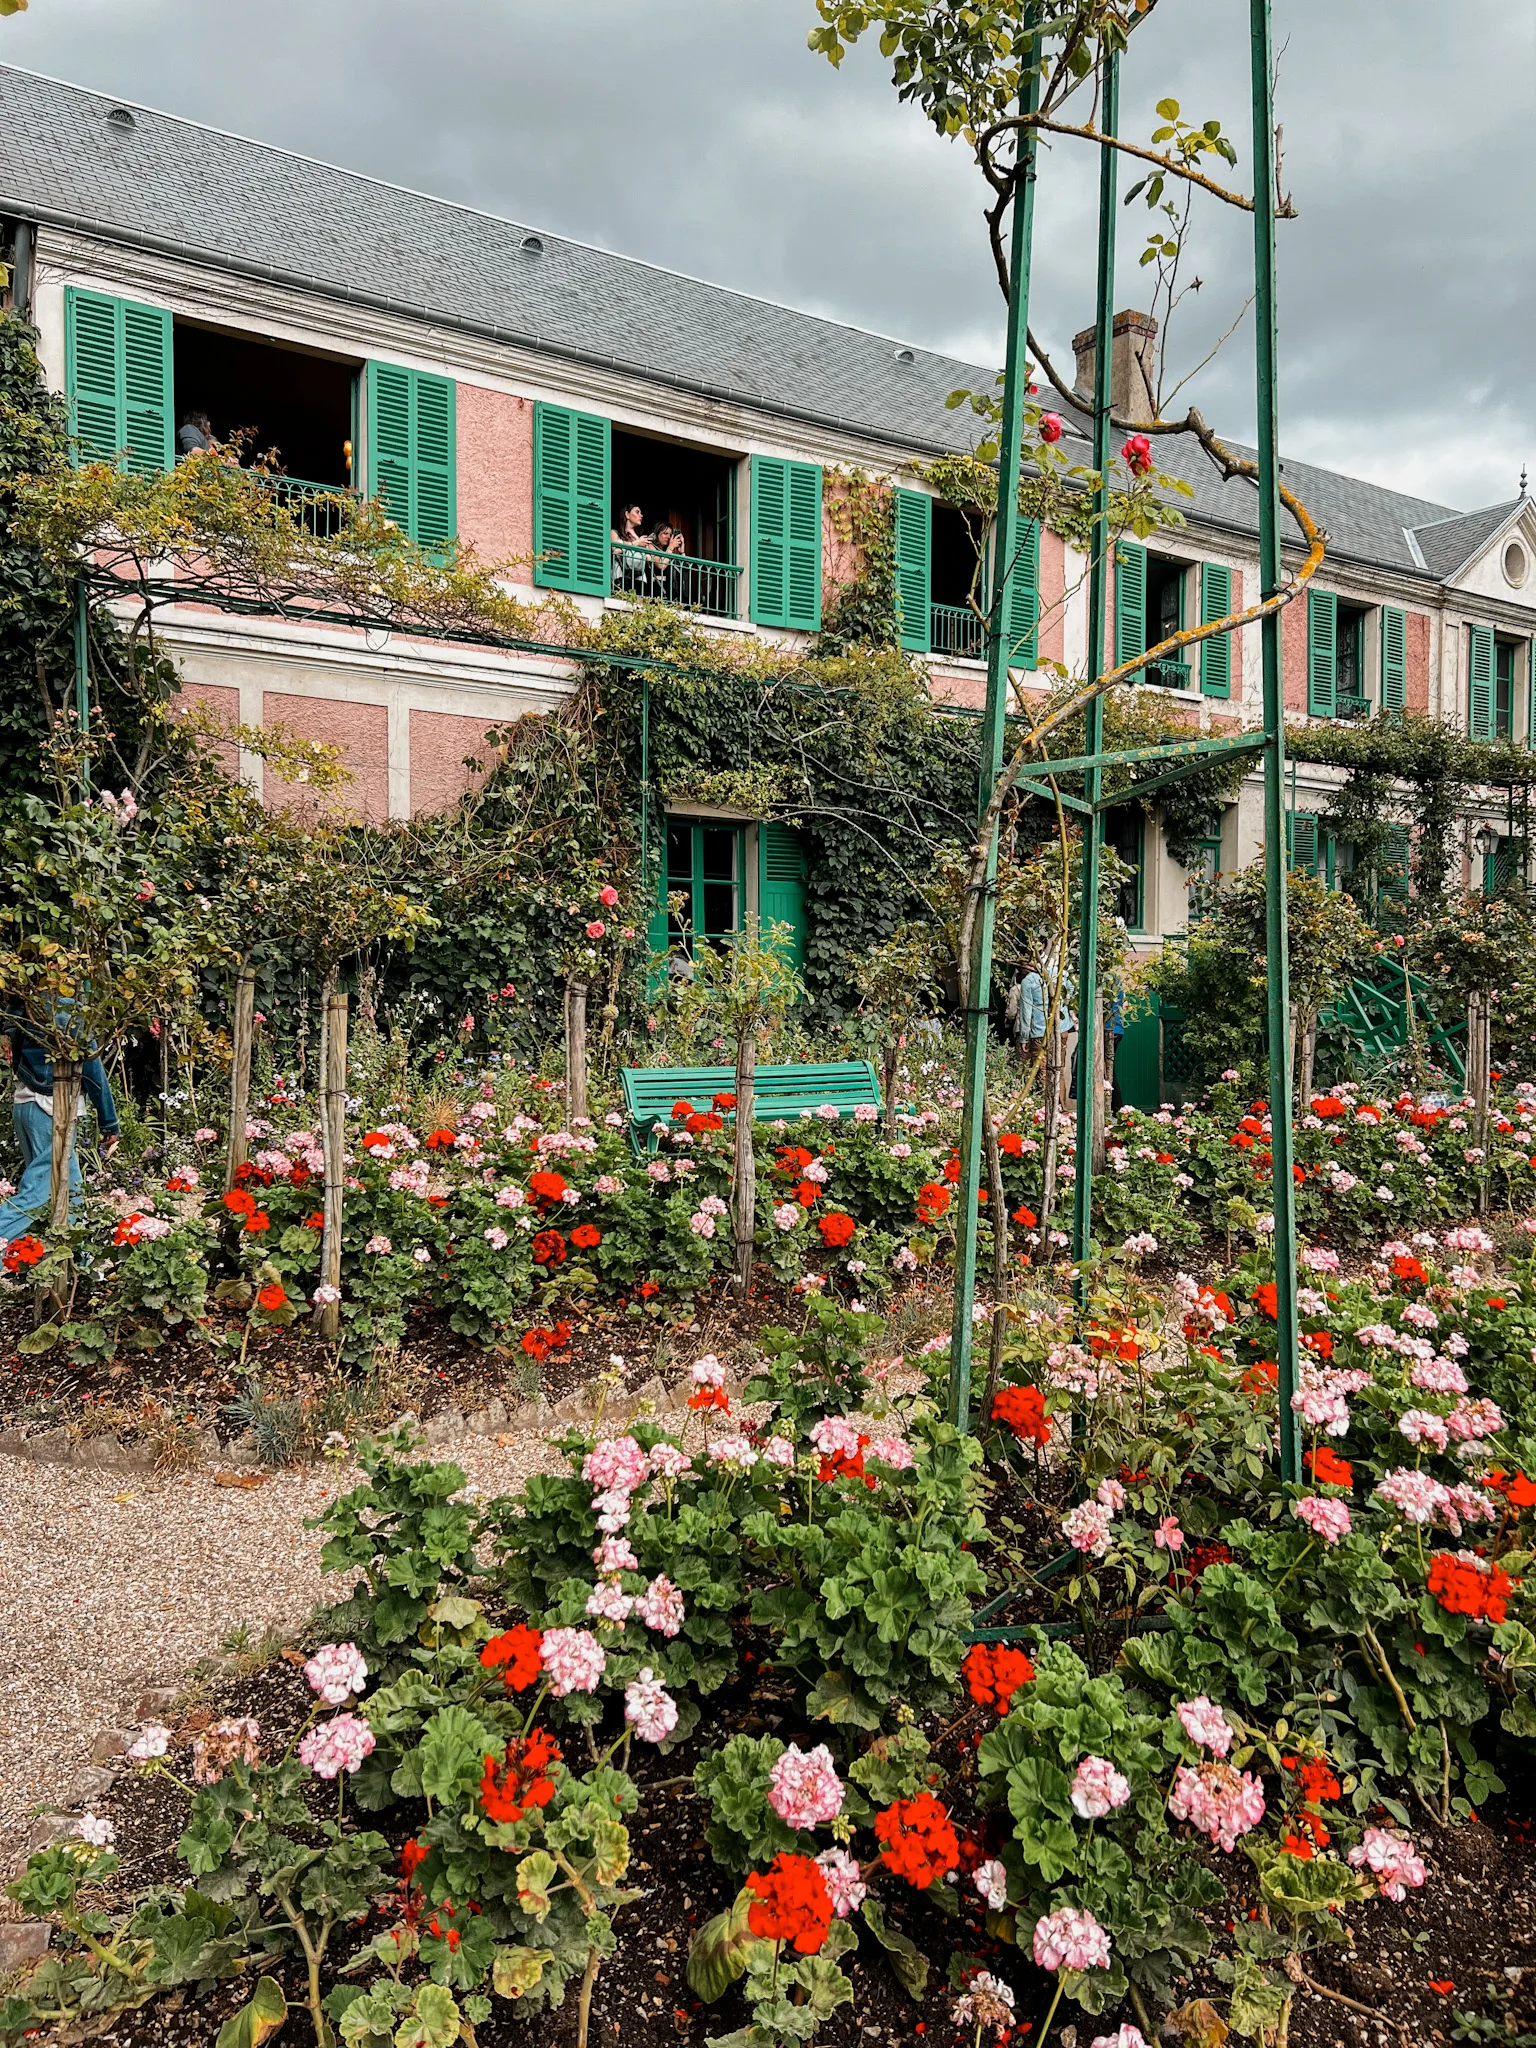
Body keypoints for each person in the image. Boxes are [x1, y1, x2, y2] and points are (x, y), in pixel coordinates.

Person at [0, 1014, 120, 1247]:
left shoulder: (26, 1006)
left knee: (70, 1192)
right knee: (38, 1195)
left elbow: (15, 1053)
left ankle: (76, 1264)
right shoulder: (70, 1012)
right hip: (51, 1108)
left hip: (25, 1104)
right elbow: (93, 1071)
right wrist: (109, 1123)